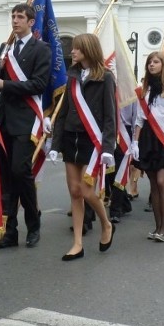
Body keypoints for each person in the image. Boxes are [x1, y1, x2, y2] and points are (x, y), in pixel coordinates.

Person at [49, 33, 116, 260]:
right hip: (70, 137)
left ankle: (106, 224)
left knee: (87, 191)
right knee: (75, 193)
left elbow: (110, 116)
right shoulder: (72, 76)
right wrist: (55, 145)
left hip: (92, 141)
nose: (72, 52)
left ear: (87, 50)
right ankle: (77, 243)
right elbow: (64, 112)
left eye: (77, 48)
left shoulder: (106, 77)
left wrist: (108, 147)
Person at [0, 4, 51, 249]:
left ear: (31, 22)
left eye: (20, 17)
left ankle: (33, 222)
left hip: (26, 120)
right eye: (13, 17)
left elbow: (38, 84)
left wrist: (5, 84)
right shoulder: (5, 48)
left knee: (20, 172)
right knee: (5, 177)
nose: (15, 21)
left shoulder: (41, 49)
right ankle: (10, 231)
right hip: (3, 119)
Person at [130, 53, 164, 241]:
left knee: (162, 181)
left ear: (163, 64)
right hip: (148, 138)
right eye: (149, 62)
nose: (152, 65)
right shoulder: (143, 89)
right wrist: (134, 142)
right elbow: (139, 119)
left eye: (156, 62)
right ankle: (157, 227)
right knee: (153, 184)